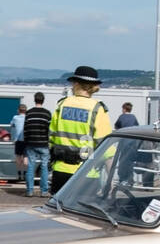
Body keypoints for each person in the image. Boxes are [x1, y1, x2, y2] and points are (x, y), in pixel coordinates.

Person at [48, 65, 112, 195]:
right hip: (86, 171)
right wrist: (110, 179)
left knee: (58, 212)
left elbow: (51, 137)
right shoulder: (97, 109)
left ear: (76, 83)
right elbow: (105, 146)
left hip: (61, 170)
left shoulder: (62, 105)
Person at [22, 91, 52, 197]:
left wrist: (25, 146)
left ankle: (29, 191)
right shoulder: (47, 114)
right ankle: (44, 191)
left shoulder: (29, 113)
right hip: (43, 143)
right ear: (43, 100)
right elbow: (50, 130)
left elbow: (25, 131)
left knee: (30, 166)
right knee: (44, 167)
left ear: (35, 100)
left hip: (30, 144)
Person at [10, 103, 28, 178]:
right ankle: (25, 173)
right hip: (26, 139)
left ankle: (19, 173)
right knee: (26, 157)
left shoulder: (15, 117)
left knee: (18, 156)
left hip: (18, 140)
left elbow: (11, 124)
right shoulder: (27, 118)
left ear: (18, 110)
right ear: (26, 111)